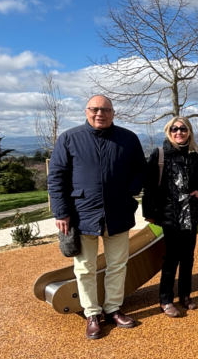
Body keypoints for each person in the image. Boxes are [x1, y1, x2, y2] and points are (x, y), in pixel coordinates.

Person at [48, 95, 145, 340]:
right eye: (94, 109)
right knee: (84, 268)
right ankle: (92, 313)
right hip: (82, 214)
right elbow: (56, 177)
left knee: (118, 265)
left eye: (105, 109)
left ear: (113, 113)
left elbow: (141, 169)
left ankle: (113, 308)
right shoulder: (69, 138)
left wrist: (130, 189)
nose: (99, 113)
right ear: (86, 111)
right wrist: (61, 212)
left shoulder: (128, 138)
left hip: (118, 212)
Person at [141, 116, 198, 317]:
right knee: (172, 257)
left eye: (183, 129)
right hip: (170, 214)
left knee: (188, 256)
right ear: (168, 132)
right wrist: (151, 214)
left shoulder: (195, 155)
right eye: (174, 129)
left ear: (189, 132)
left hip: (191, 213)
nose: (178, 132)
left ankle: (185, 295)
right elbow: (150, 187)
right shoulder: (160, 154)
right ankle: (165, 299)